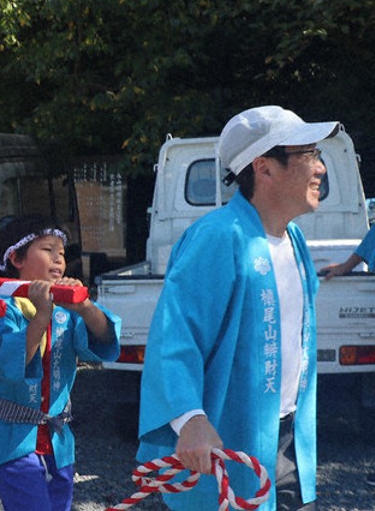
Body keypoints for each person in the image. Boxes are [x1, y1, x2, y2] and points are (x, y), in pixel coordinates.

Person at [138, 105, 337, 510]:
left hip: (285, 437)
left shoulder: (294, 239)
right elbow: (175, 338)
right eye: (309, 155)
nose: (320, 169)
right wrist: (190, 419)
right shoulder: (218, 238)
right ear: (264, 167)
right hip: (228, 438)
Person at [0, 215, 119, 510]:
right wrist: (41, 315)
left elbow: (102, 339)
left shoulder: (66, 308)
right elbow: (6, 360)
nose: (58, 259)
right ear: (16, 257)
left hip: (58, 440)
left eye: (61, 253)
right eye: (47, 249)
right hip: (13, 439)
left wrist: (85, 307)